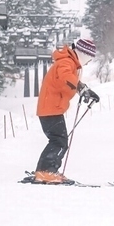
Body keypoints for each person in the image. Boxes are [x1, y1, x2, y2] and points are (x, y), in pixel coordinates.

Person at [34, 39, 99, 184]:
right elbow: (65, 78)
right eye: (89, 59)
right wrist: (82, 89)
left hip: (51, 108)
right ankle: (47, 172)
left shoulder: (68, 62)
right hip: (51, 109)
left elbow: (68, 81)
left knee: (58, 140)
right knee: (59, 141)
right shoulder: (66, 62)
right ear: (84, 54)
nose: (87, 63)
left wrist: (85, 90)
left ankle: (44, 170)